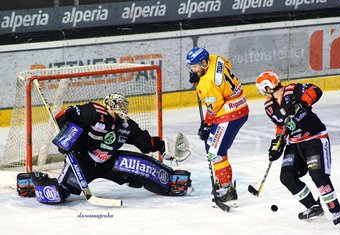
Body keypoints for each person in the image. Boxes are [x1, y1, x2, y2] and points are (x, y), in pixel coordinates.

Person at [18, 93, 192, 204]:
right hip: (82, 161)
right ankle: (32, 182)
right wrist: (67, 138)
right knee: (57, 195)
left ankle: (171, 180)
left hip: (110, 162)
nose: (124, 110)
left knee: (143, 166)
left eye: (125, 106)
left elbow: (144, 142)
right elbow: (64, 116)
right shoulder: (93, 112)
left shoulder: (126, 125)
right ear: (110, 106)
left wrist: (162, 146)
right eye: (120, 106)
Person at [255, 70, 340, 227]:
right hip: (294, 143)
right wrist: (277, 144)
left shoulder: (293, 90)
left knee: (318, 176)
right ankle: (313, 206)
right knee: (287, 176)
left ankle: (336, 211)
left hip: (314, 139)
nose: (262, 92)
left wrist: (301, 103)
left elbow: (316, 90)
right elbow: (280, 126)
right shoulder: (269, 106)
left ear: (268, 87)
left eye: (262, 88)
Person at [186, 47, 249, 206]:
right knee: (213, 147)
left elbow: (214, 108)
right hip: (239, 105)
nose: (193, 70)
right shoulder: (215, 58)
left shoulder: (207, 84)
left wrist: (207, 125)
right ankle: (224, 183)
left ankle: (227, 190)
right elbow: (228, 65)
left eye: (194, 66)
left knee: (214, 151)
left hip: (230, 114)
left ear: (203, 62)